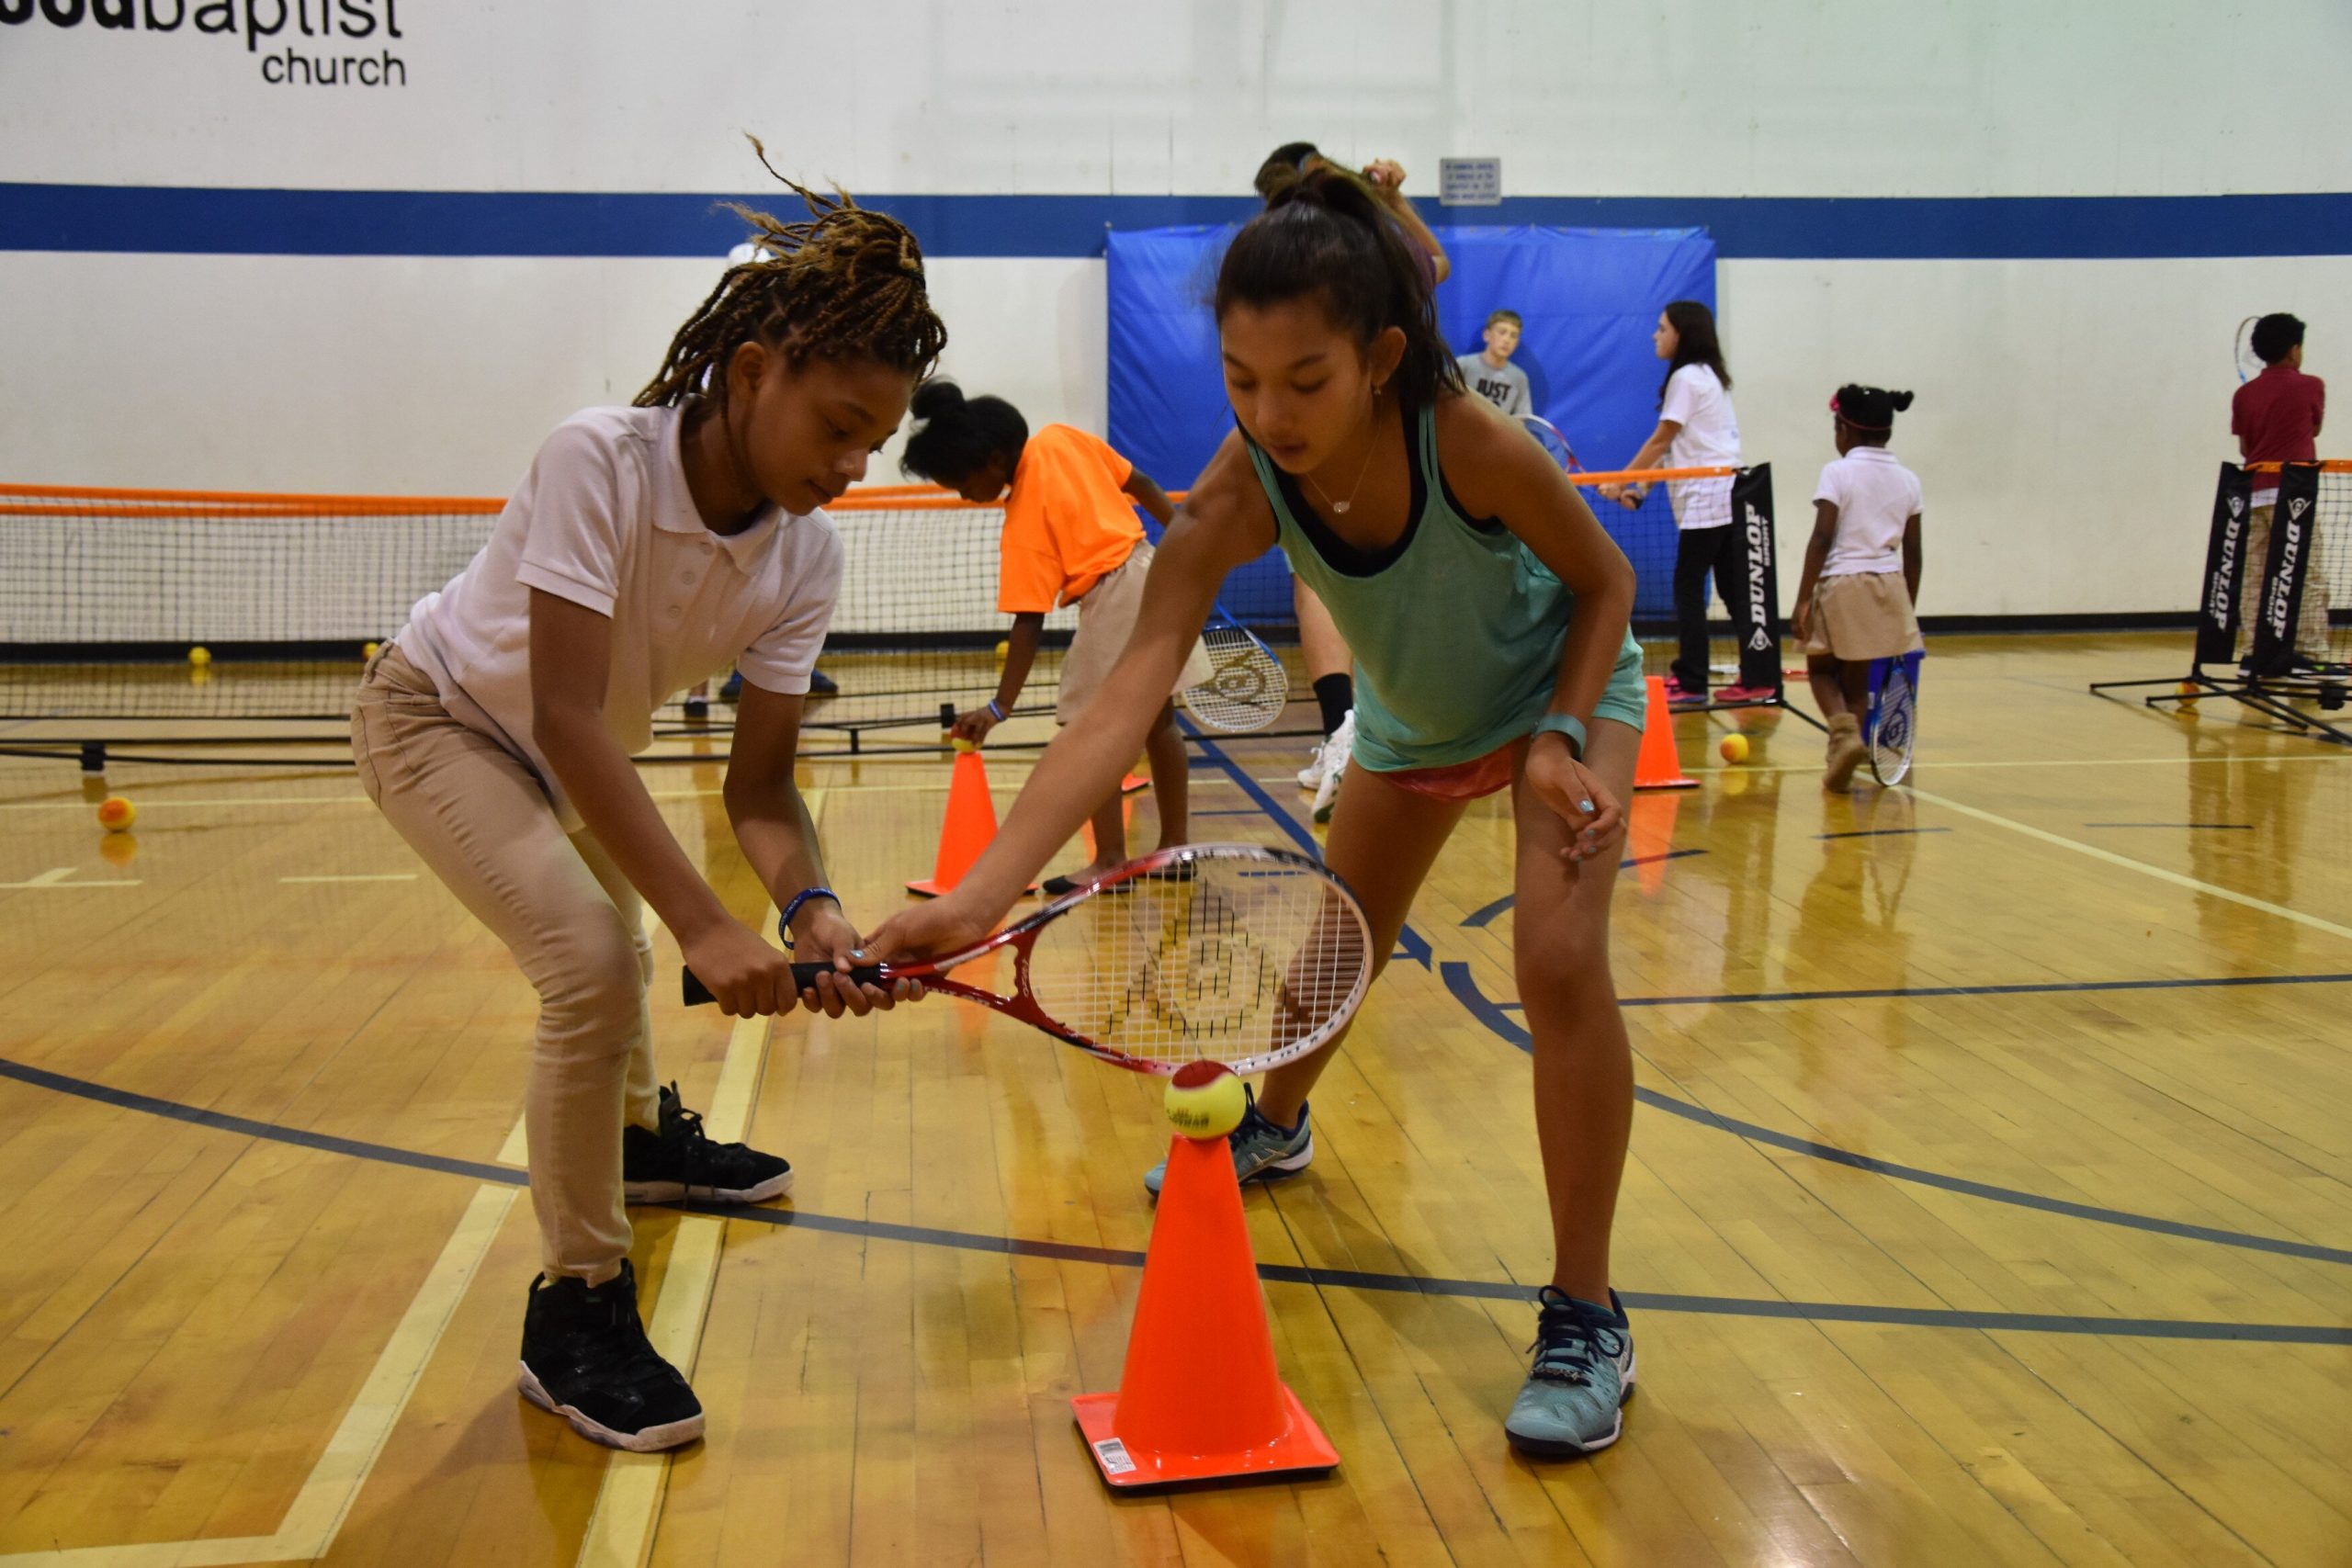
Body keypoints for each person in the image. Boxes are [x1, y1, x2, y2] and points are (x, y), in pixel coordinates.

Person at [873, 166, 1651, 1459]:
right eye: (1240, 378)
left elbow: (1609, 580)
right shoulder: (1242, 484)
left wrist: (1566, 734)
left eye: (1305, 380)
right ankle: (1275, 1122)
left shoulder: (1464, 438)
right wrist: (979, 893)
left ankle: (1586, 1311)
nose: (1269, 411)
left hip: (1556, 702)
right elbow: (1119, 702)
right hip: (1411, 729)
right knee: (1332, 953)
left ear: (1381, 357)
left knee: (1558, 958)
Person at [351, 154, 938, 1454]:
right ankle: (575, 1307)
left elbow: (764, 782)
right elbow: (564, 711)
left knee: (609, 953)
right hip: (441, 718)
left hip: (566, 759)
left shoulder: (805, 553)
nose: (852, 462)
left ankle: (637, 1143)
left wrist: (812, 907)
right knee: (591, 960)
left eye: (875, 440)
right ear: (750, 374)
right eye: (837, 424)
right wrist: (706, 928)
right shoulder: (597, 460)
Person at [898, 381, 1212, 893]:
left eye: (959, 481)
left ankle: (1110, 859)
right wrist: (1190, 545)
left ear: (993, 459)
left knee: (1089, 731)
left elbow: (1028, 623)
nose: (962, 495)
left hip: (1113, 597)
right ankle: (1175, 849)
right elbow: (1144, 482)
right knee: (1159, 723)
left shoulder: (1022, 514)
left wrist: (1000, 707)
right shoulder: (1063, 437)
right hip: (1152, 571)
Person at [1257, 142, 1452, 822]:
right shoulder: (1370, 248)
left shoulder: (1321, 266)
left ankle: (1351, 729)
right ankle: (1364, 731)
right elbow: (1438, 265)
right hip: (1407, 423)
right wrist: (1394, 202)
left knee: (1317, 578)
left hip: (1374, 428)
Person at [1600, 301, 1774, 708]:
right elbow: (1679, 446)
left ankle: (1692, 679)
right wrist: (1638, 490)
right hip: (1731, 492)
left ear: (1682, 332)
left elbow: (1661, 439)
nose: (1655, 335)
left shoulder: (1686, 376)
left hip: (1708, 499)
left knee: (1689, 587)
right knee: (1734, 592)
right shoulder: (1709, 375)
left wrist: (1620, 478)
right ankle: (1758, 679)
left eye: (1662, 328)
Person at [1789, 387, 1925, 789]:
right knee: (1856, 678)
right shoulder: (1908, 480)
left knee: (1820, 671)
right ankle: (1842, 764)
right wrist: (1907, 607)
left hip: (1843, 583)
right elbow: (1914, 552)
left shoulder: (1838, 472)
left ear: (1843, 430)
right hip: (1890, 586)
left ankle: (1844, 735)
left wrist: (1802, 599)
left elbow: (1822, 537)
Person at [2232, 312, 2328, 670]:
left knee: (2256, 576)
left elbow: (2246, 449)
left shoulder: (2243, 394)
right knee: (2306, 574)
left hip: (2254, 495)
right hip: (2294, 497)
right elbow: (2314, 429)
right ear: (2293, 350)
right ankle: (2310, 653)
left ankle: (2254, 653)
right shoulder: (2311, 385)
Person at [1458, 309, 1532, 417]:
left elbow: (1522, 419)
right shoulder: (1463, 365)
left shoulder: (1519, 378)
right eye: (1502, 332)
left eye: (1513, 335)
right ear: (1487, 335)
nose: (1507, 340)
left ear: (1517, 343)